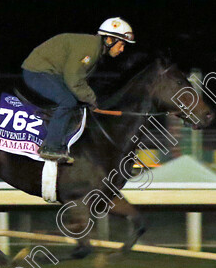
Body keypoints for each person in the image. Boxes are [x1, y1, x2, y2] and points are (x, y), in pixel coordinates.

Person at [21, 17, 135, 163]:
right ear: (109, 40)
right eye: (121, 44)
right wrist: (92, 99)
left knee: (75, 100)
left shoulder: (95, 49)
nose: (122, 49)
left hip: (50, 73)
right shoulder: (91, 49)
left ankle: (62, 143)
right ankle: (50, 147)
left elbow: (77, 80)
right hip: (36, 72)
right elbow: (74, 80)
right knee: (67, 101)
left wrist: (88, 98)